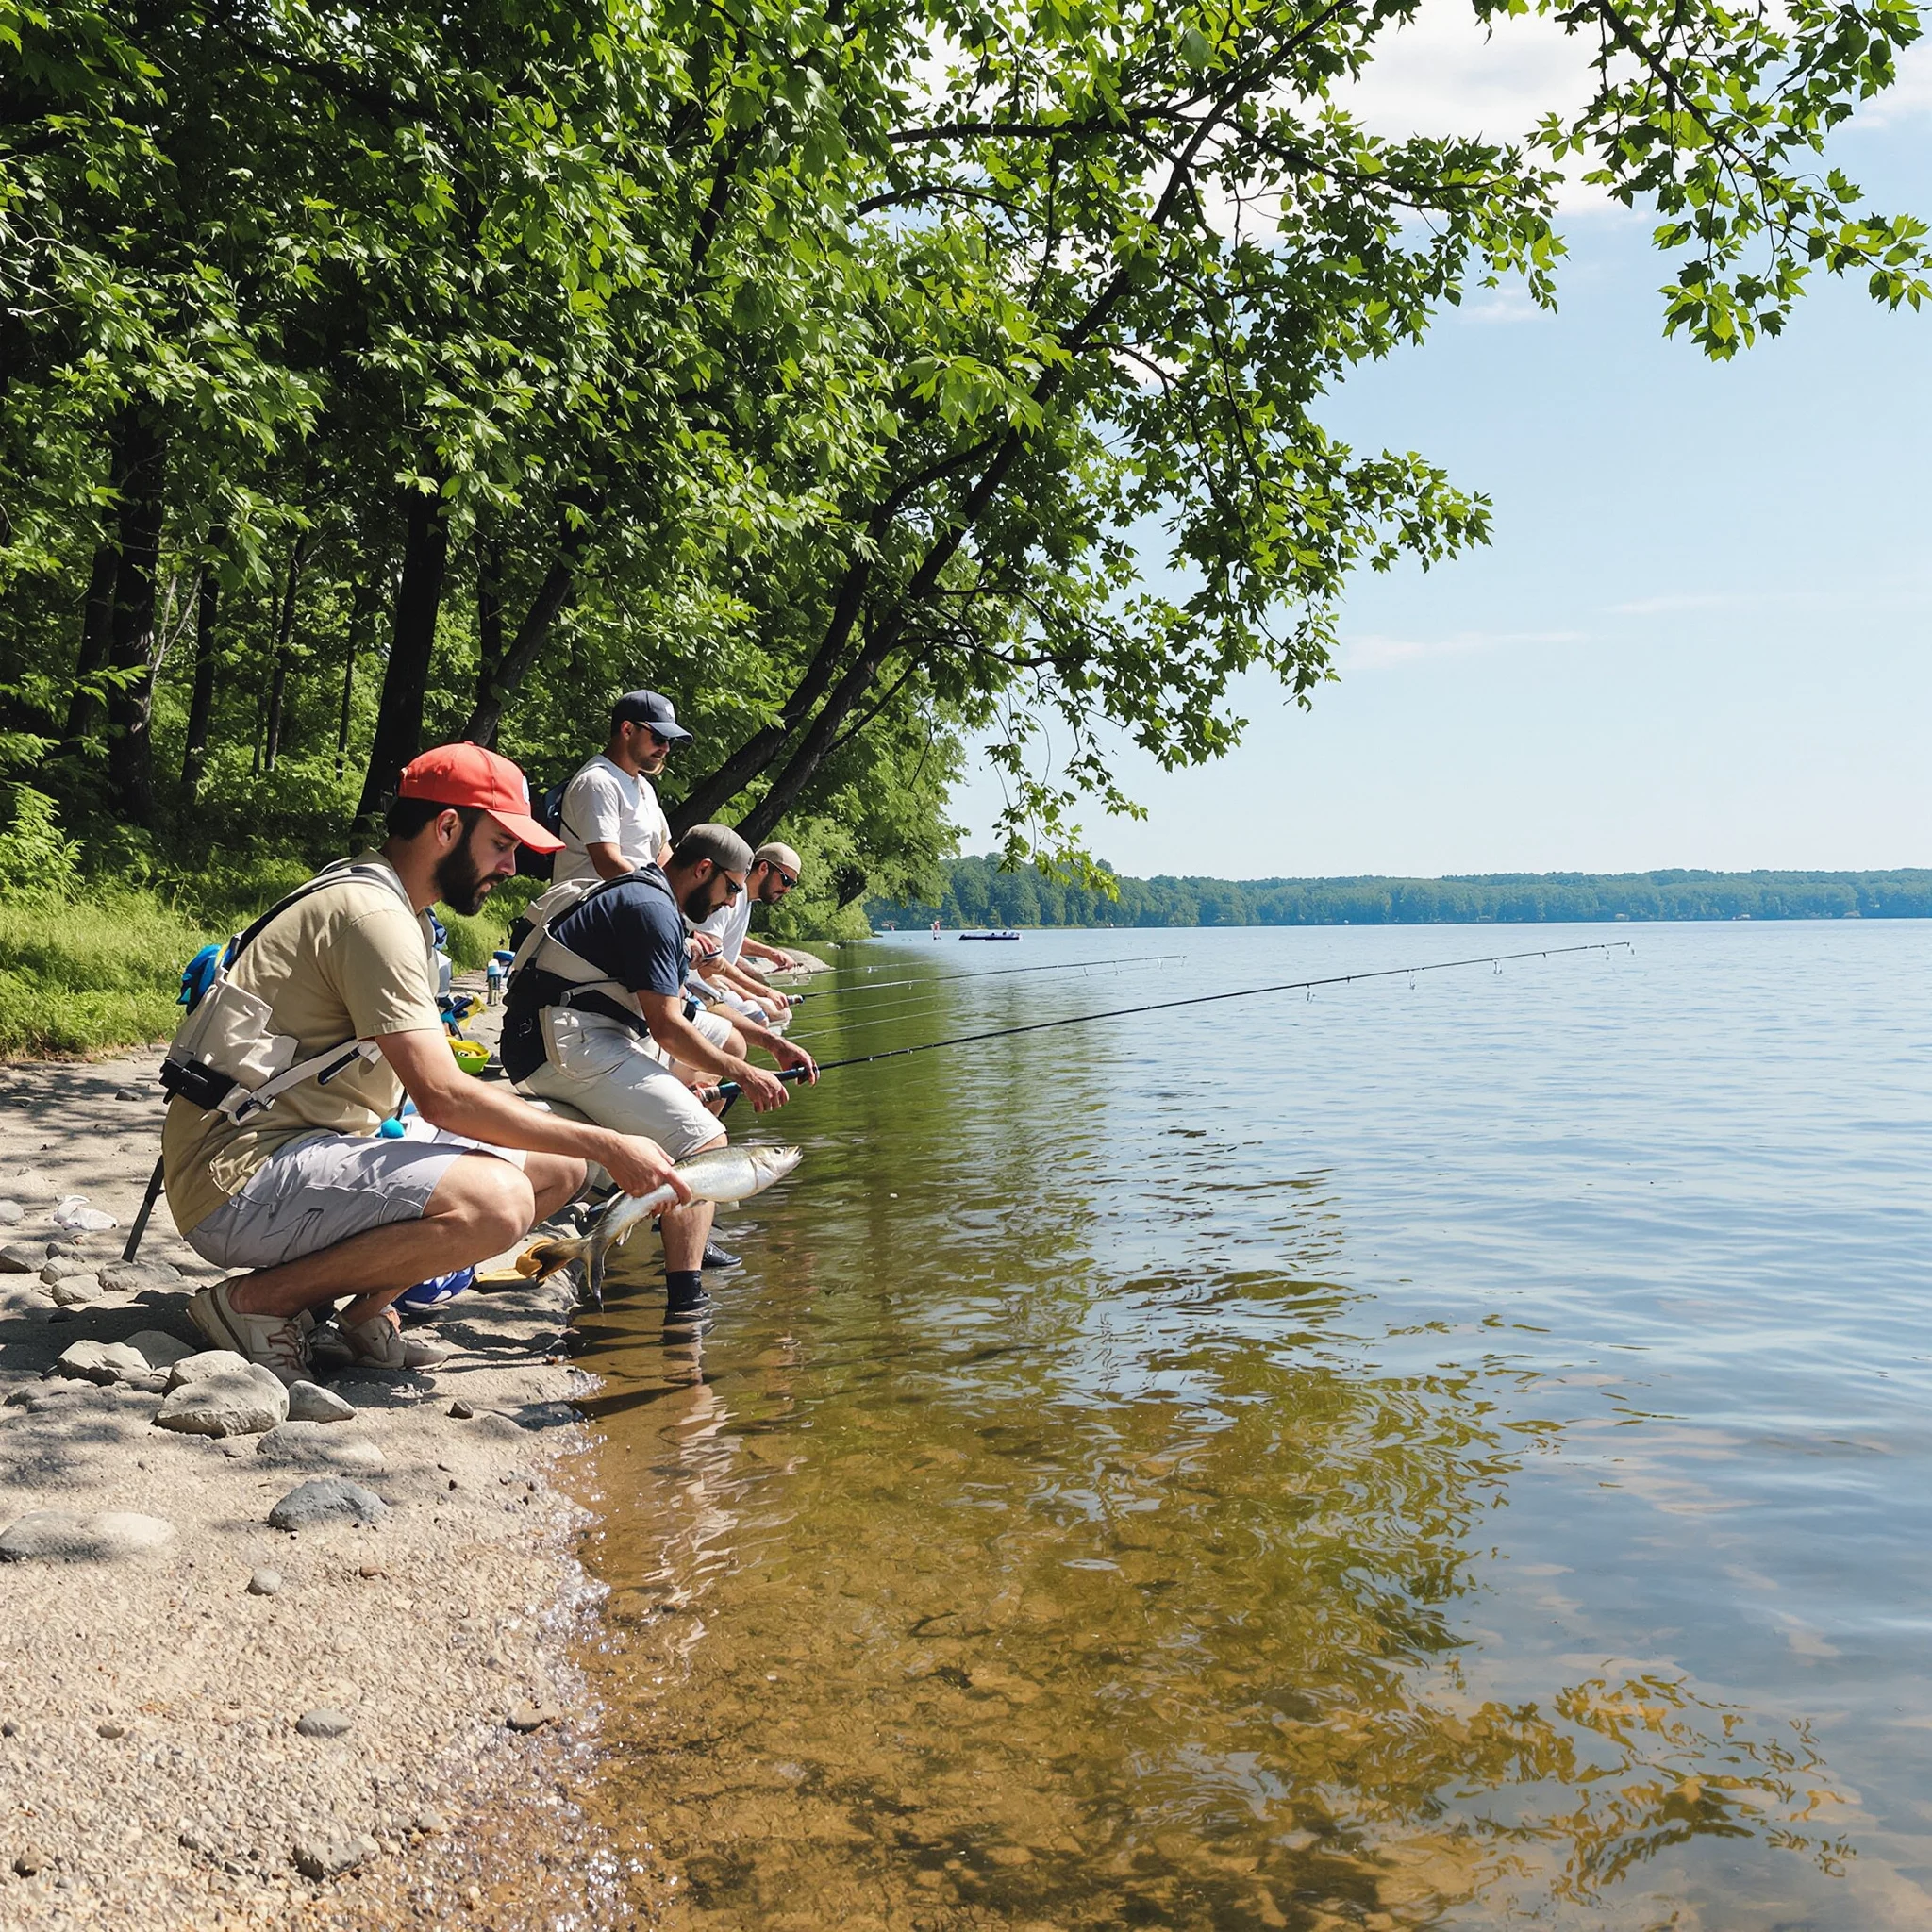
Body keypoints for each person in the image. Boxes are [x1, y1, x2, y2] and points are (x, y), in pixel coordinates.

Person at [160, 743, 691, 1383]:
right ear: (446, 827)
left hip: (306, 1141)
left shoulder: (394, 906)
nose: (512, 865)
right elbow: (443, 1097)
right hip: (234, 1177)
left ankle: (358, 1314)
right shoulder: (373, 917)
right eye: (501, 843)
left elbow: (435, 1088)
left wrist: (591, 1149)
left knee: (557, 1166)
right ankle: (253, 1304)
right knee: (496, 1203)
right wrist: (613, 1143)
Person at [499, 824, 817, 1311]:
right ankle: (685, 1301)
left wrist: (768, 1042)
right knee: (704, 1141)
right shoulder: (652, 910)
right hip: (563, 1042)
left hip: (575, 1032)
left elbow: (688, 1009)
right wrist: (746, 1074)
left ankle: (672, 1219)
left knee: (723, 1042)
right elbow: (668, 1029)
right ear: (703, 870)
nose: (732, 903)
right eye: (732, 887)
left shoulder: (652, 898)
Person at [551, 689, 691, 887]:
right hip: (587, 906)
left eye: (670, 741)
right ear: (627, 730)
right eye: (659, 738)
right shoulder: (597, 782)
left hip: (633, 901)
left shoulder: (644, 787)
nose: (666, 748)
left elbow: (663, 856)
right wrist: (660, 893)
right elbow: (609, 864)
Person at [690, 842, 807, 1025]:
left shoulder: (746, 900)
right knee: (771, 1015)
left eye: (792, 885)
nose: (787, 890)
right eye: (786, 881)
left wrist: (770, 954)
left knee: (768, 993)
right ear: (763, 868)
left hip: (717, 977)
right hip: (700, 981)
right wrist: (758, 995)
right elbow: (707, 965)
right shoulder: (730, 896)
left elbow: (729, 939)